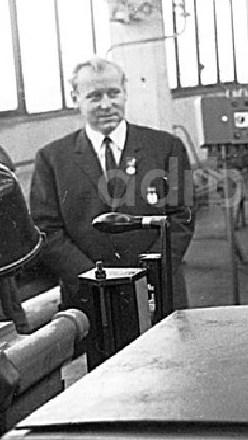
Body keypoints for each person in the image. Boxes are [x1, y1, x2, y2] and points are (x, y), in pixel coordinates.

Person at [29, 56, 195, 317]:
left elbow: (181, 218)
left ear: (125, 93)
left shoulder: (166, 147)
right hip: (87, 298)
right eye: (95, 96)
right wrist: (93, 278)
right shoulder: (52, 158)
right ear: (76, 99)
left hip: (158, 291)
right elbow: (46, 230)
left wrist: (148, 274)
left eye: (113, 93)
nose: (106, 104)